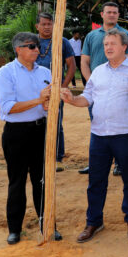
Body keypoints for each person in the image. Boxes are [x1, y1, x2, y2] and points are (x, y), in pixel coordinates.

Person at [61, 29, 128, 243]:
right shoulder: (98, 72)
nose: (108, 48)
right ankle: (94, 221)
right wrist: (73, 100)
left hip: (126, 135)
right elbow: (88, 97)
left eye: (113, 44)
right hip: (99, 135)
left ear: (124, 47)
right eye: (105, 45)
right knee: (96, 181)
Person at [0, 32, 62, 244]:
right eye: (31, 46)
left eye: (37, 46)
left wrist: (50, 104)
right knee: (17, 181)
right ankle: (14, 228)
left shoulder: (46, 71)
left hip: (41, 131)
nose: (36, 50)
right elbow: (8, 108)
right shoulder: (6, 73)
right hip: (16, 133)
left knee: (42, 180)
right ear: (18, 49)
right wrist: (38, 100)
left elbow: (51, 100)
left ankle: (48, 224)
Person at [79, 2, 128, 175]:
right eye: (108, 12)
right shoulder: (91, 36)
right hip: (97, 92)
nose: (111, 15)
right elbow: (84, 62)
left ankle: (120, 163)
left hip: (120, 92)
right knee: (97, 126)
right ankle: (96, 163)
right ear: (102, 14)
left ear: (118, 15)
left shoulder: (127, 36)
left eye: (115, 12)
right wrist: (93, 84)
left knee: (121, 129)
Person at [35, 12, 76, 172]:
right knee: (35, 124)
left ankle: (57, 158)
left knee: (56, 123)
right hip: (35, 92)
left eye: (49, 24)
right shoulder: (32, 42)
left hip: (56, 90)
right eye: (43, 24)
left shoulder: (62, 41)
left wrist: (62, 87)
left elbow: (71, 66)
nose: (47, 27)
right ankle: (38, 157)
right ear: (37, 26)